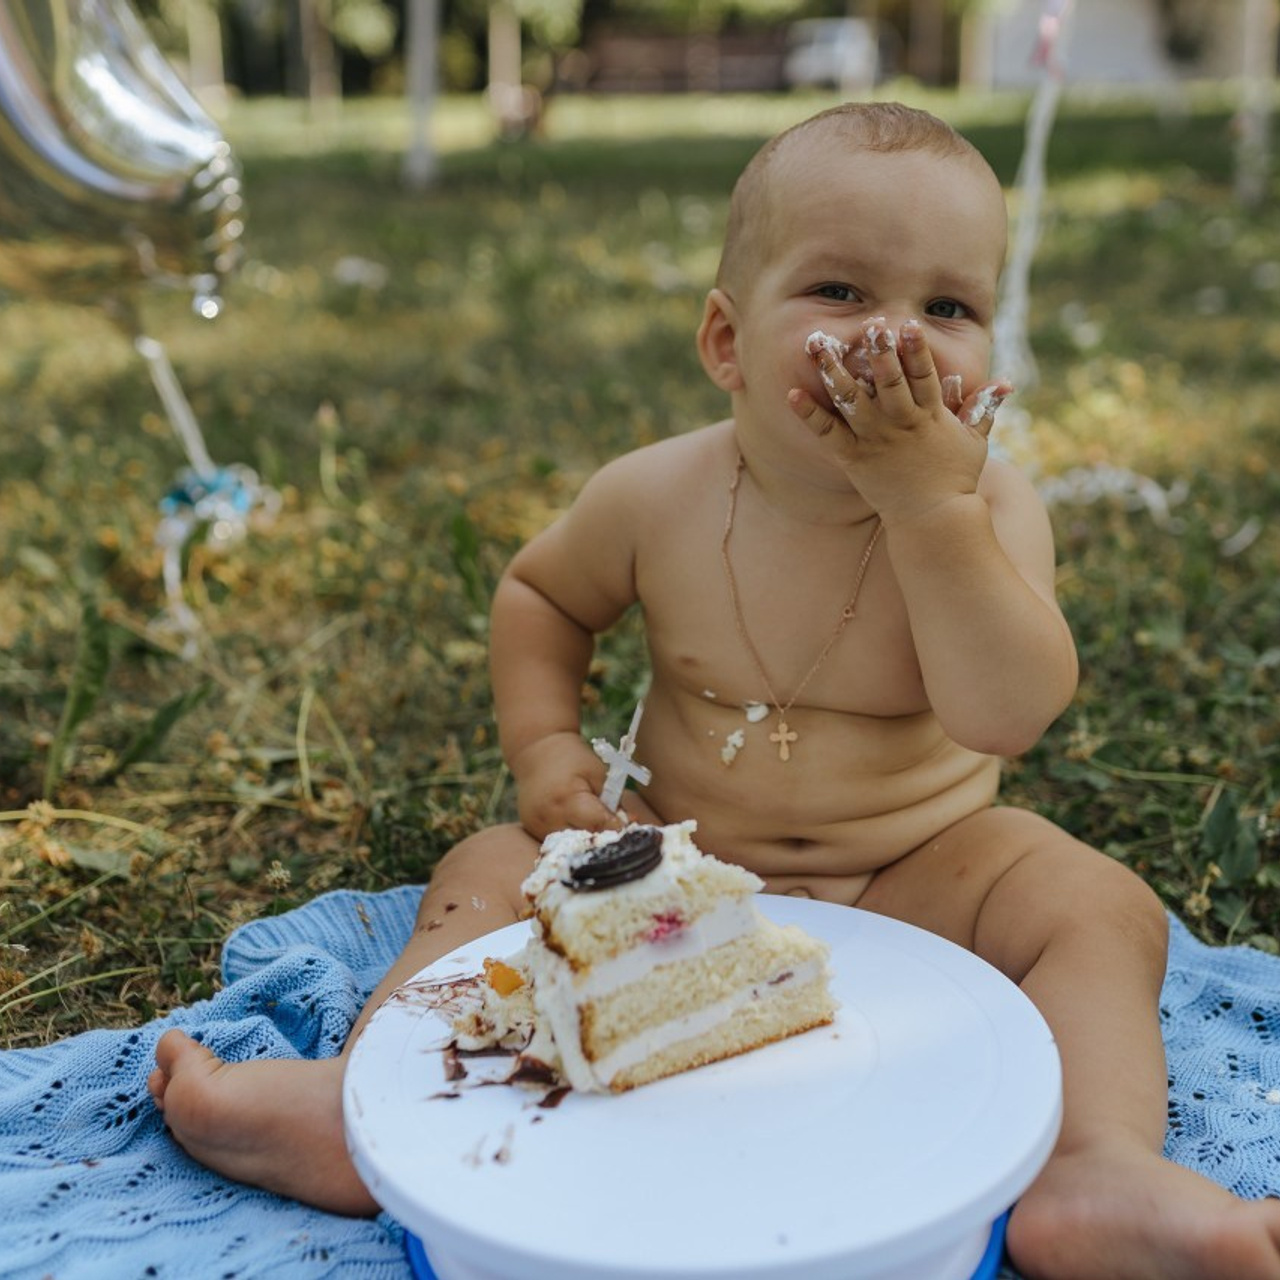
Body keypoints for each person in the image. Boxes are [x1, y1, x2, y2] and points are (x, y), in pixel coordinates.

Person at [149, 103, 1280, 1279]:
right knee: (485, 871)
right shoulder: (657, 495)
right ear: (727, 344)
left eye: (947, 308)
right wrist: (545, 752)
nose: (894, 336)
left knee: (1096, 904)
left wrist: (926, 508)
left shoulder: (987, 510)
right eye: (839, 292)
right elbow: (541, 595)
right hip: (664, 858)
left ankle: (1090, 1165)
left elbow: (1004, 713)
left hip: (919, 869)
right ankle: (374, 1106)